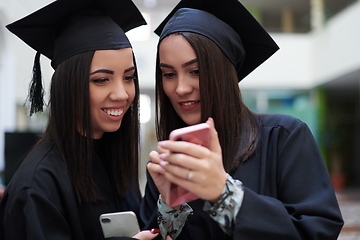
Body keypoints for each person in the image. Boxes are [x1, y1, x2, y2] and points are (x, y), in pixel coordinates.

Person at [140, 0, 344, 239]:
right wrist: (170, 206)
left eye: (195, 71)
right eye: (169, 74)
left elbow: (318, 232)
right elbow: (150, 232)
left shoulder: (283, 137)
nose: (181, 88)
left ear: (225, 73)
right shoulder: (170, 160)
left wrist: (225, 195)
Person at [0, 0, 159, 239]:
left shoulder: (111, 158)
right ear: (68, 86)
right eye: (101, 79)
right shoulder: (37, 186)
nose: (122, 93)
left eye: (128, 77)